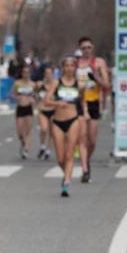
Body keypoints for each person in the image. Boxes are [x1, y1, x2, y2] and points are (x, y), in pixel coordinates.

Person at [44, 56, 88, 198]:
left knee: (69, 155)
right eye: (67, 65)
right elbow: (46, 100)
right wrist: (58, 104)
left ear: (75, 68)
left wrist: (85, 113)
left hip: (73, 120)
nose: (69, 68)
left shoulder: (80, 85)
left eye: (72, 65)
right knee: (60, 158)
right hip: (57, 121)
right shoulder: (57, 83)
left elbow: (83, 101)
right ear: (63, 67)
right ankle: (67, 174)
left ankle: (66, 182)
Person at [75, 36, 110, 183]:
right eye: (83, 48)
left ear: (93, 48)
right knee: (82, 138)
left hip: (93, 102)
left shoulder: (99, 63)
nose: (86, 50)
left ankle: (86, 160)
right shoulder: (75, 64)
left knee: (92, 141)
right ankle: (85, 168)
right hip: (79, 103)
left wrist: (96, 76)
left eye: (89, 47)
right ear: (80, 50)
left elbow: (106, 85)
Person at [10, 64, 37, 159]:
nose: (26, 74)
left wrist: (33, 99)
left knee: (28, 131)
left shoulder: (33, 84)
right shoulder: (17, 83)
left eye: (28, 72)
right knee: (20, 132)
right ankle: (23, 142)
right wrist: (17, 97)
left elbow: (36, 96)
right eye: (24, 72)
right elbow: (11, 94)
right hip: (20, 108)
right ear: (22, 73)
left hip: (29, 108)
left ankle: (26, 149)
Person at [36, 66, 56, 160]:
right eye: (47, 74)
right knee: (44, 128)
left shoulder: (56, 85)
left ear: (53, 74)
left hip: (53, 110)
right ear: (44, 75)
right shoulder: (40, 85)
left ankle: (48, 150)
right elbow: (36, 96)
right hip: (43, 110)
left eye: (50, 74)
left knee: (52, 132)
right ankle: (42, 146)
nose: (48, 76)